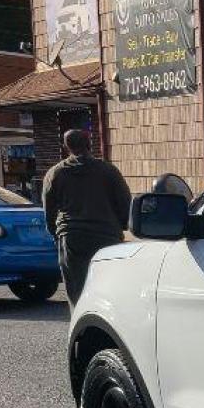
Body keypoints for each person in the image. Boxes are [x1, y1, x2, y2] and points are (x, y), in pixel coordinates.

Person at [41, 129, 131, 305]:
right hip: (106, 236)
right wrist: (122, 226)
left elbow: (48, 210)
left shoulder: (55, 173)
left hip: (72, 237)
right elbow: (125, 204)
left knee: (77, 290)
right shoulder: (108, 171)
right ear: (89, 144)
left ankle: (80, 324)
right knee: (109, 288)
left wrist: (56, 234)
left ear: (66, 147)